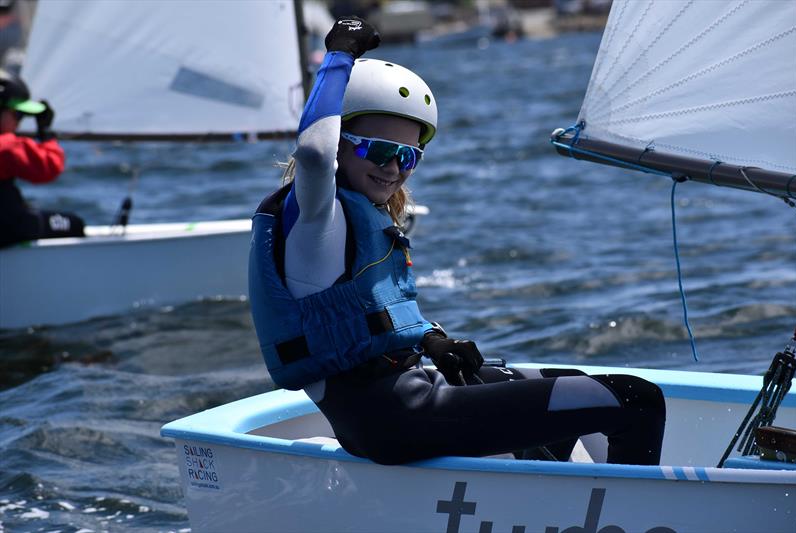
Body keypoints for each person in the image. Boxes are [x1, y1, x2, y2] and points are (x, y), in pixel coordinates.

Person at [249, 17, 665, 466]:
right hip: (397, 419)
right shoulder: (316, 220)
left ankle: (546, 502)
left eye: (408, 156)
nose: (393, 168)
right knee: (634, 399)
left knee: (568, 382)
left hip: (404, 399)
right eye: (378, 150)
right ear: (342, 146)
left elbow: (369, 315)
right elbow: (313, 154)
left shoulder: (358, 219)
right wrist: (338, 56)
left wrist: (432, 340)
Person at [0, 68, 84, 248]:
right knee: (75, 223)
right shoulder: (7, 146)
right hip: (10, 229)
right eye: (17, 114)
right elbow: (49, 168)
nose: (19, 122)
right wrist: (46, 134)